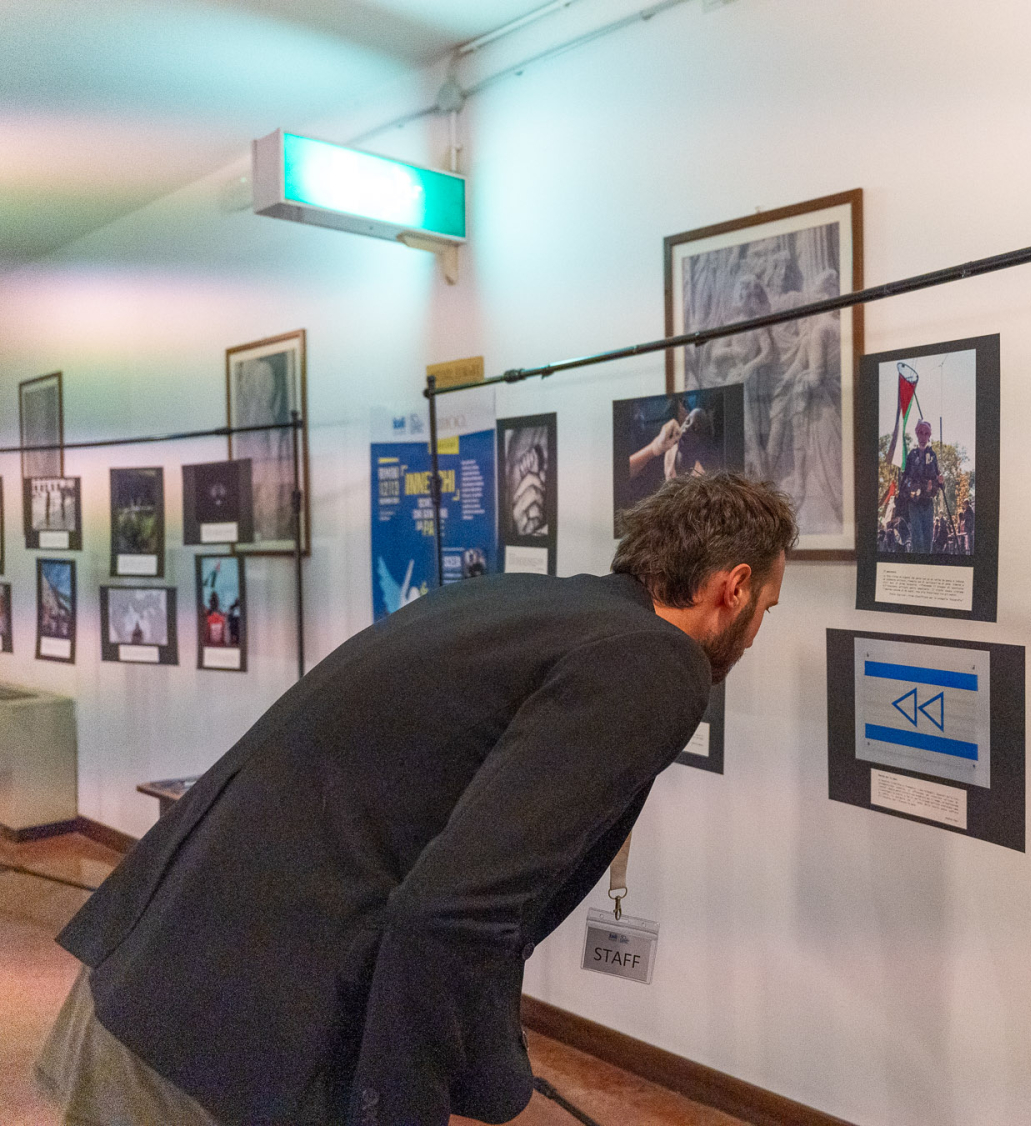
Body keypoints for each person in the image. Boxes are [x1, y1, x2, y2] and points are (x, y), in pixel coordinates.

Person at [35, 473, 797, 1126]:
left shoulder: (526, 603)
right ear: (732, 587)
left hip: (159, 975)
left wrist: (487, 1077)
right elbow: (451, 908)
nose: (758, 628)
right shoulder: (657, 661)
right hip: (223, 1036)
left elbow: (467, 889)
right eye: (767, 606)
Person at [900, 418, 943, 553]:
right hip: (914, 503)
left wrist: (938, 482)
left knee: (927, 539)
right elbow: (905, 480)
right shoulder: (911, 456)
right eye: (920, 433)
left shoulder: (932, 455)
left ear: (929, 436)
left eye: (926, 433)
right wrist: (913, 488)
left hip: (927, 504)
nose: (923, 437)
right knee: (917, 539)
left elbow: (936, 479)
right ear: (917, 434)